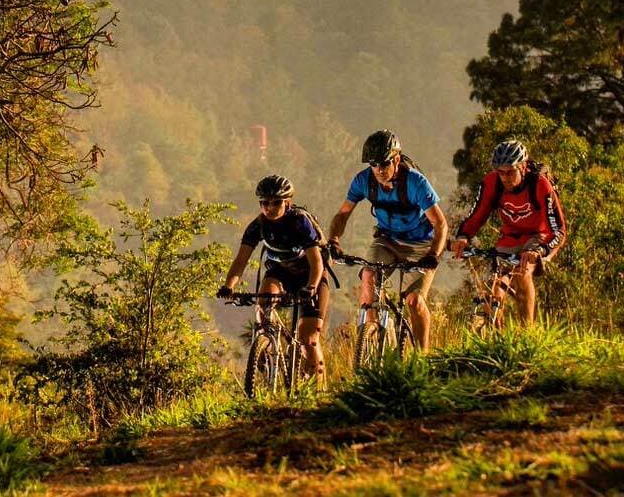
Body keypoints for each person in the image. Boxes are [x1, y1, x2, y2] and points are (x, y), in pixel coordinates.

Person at [326, 130, 447, 350]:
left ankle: (423, 356)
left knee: (414, 301)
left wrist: (433, 255)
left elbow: (441, 224)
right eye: (374, 164)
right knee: (369, 277)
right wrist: (333, 240)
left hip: (421, 246)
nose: (380, 170)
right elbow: (343, 214)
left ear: (397, 159)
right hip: (387, 241)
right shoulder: (364, 181)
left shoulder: (415, 182)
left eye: (385, 163)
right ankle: (371, 344)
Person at [218, 174, 331, 379]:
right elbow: (241, 259)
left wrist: (311, 287)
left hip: (310, 275)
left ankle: (318, 388)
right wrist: (229, 286)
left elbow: (316, 262)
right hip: (280, 273)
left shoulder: (300, 222)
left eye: (276, 202)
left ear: (287, 202)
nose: (270, 207)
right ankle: (269, 344)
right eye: (264, 203)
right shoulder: (258, 225)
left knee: (308, 338)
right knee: (263, 303)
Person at [450, 138, 568, 326]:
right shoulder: (491, 182)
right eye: (501, 172)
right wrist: (463, 236)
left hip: (538, 237)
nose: (505, 177)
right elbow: (477, 215)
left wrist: (540, 251)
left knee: (522, 274)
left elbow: (559, 230)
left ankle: (527, 333)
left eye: (510, 171)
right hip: (509, 238)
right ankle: (497, 337)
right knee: (493, 288)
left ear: (522, 167)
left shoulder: (540, 184)